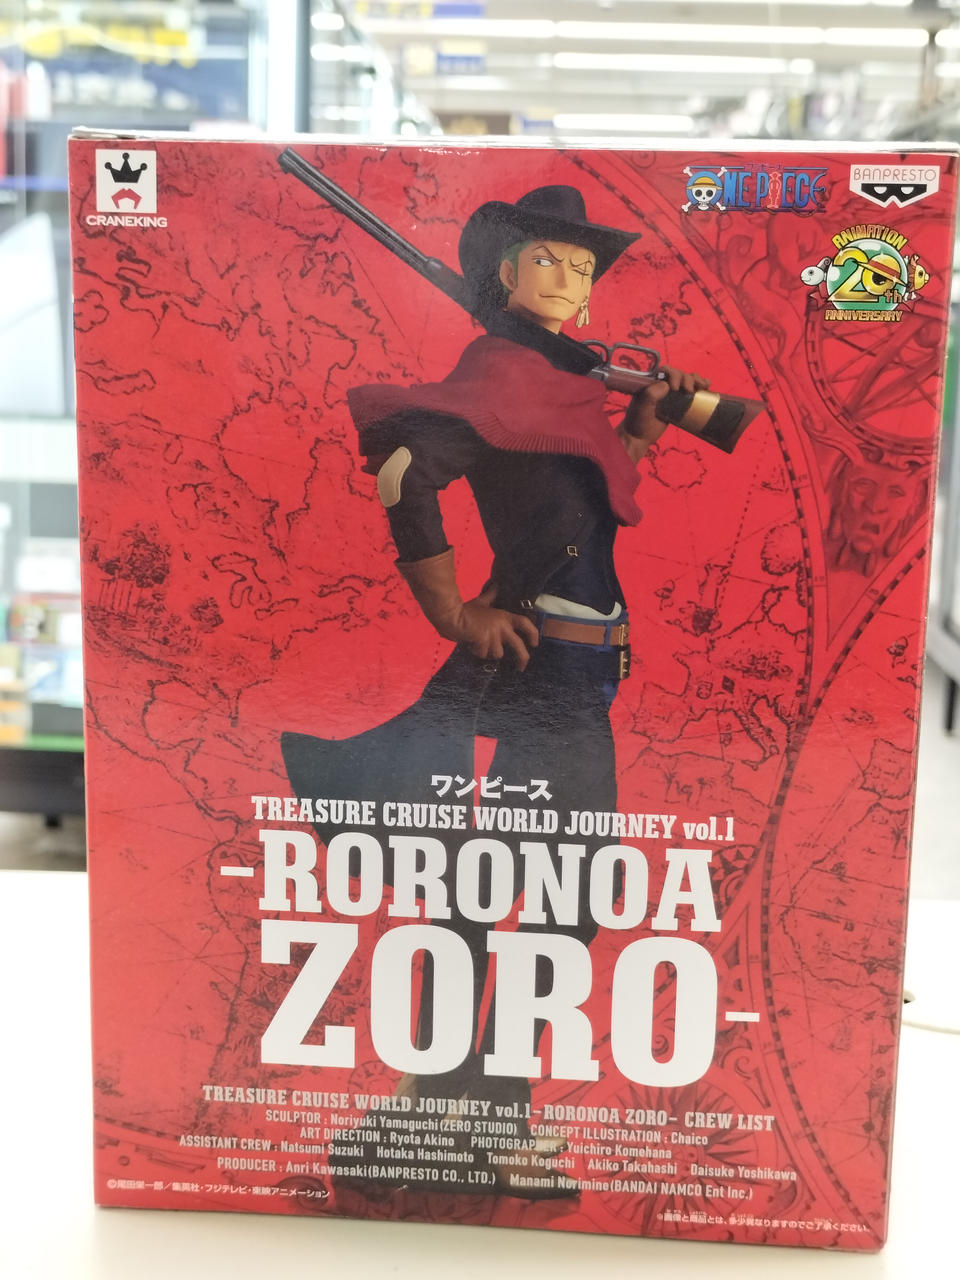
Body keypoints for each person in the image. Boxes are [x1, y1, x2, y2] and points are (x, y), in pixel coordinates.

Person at [282, 184, 708, 1198]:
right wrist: (452, 612)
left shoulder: (563, 388)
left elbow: (573, 506)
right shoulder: (508, 372)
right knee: (526, 895)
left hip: (581, 675)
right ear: (505, 273)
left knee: (516, 891)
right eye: (547, 258)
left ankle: (452, 1111)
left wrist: (640, 428)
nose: (568, 276)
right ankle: (463, 1115)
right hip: (540, 671)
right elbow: (403, 472)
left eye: (582, 265)